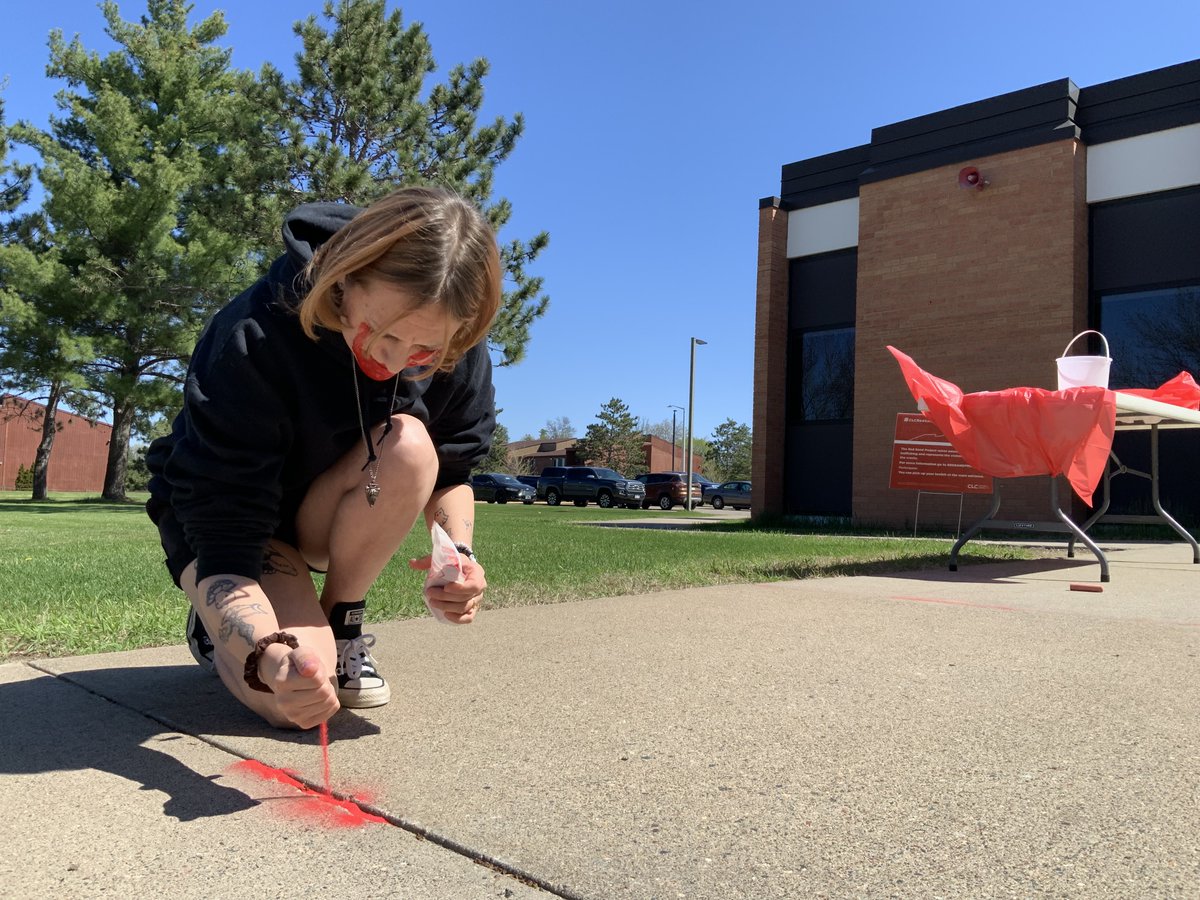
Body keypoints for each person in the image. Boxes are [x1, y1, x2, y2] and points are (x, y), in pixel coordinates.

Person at [146, 186, 500, 730]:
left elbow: (450, 470)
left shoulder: (457, 345)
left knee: (408, 443)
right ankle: (217, 625)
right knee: (296, 700)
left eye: (424, 350)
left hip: (320, 512)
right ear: (344, 276)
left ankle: (342, 625)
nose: (395, 360)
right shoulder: (254, 332)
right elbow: (222, 522)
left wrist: (458, 557)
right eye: (380, 331)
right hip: (231, 526)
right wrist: (264, 646)